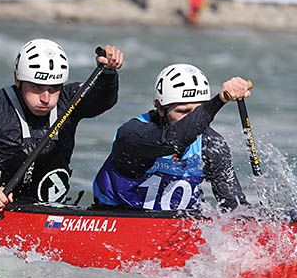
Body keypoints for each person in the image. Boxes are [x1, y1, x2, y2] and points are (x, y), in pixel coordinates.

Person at [0, 39, 124, 214]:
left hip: (47, 210)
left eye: (54, 88)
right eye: (37, 87)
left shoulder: (70, 100)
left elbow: (103, 100)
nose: (46, 98)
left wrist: (108, 73)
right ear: (18, 80)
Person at [93, 63, 250, 212]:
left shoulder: (212, 145)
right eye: (183, 111)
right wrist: (220, 100)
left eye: (197, 111)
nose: (192, 119)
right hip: (117, 218)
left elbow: (234, 207)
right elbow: (173, 140)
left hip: (177, 225)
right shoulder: (132, 134)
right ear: (160, 108)